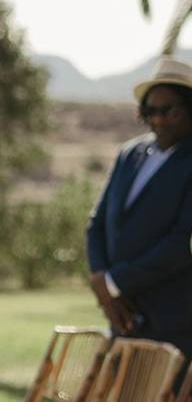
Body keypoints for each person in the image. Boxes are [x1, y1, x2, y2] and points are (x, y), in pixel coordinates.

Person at [86, 55, 192, 358]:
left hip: (176, 323)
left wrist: (114, 283)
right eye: (149, 110)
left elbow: (183, 242)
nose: (157, 119)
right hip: (123, 318)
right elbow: (97, 223)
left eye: (168, 111)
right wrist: (103, 287)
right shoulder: (129, 154)